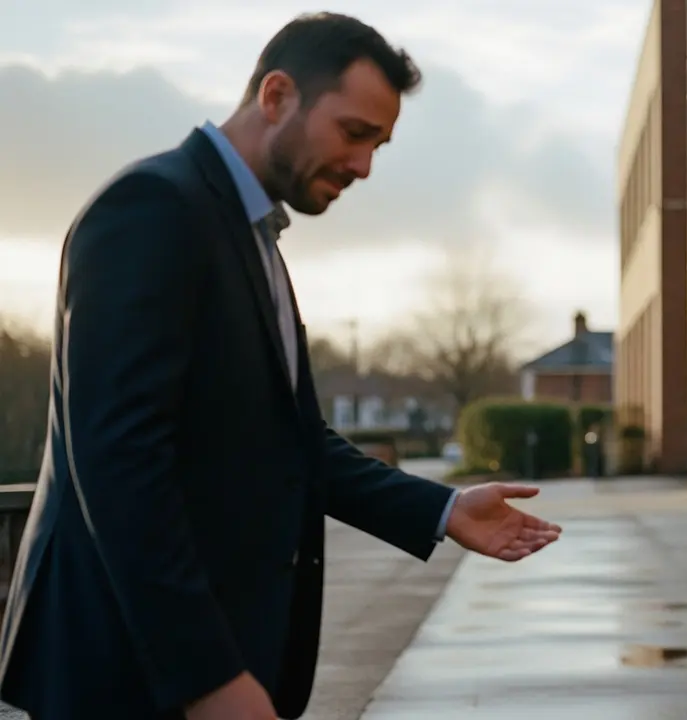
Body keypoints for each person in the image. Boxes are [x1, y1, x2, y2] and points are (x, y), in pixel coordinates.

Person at [0, 13, 562, 720]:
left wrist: (442, 509)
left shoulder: (249, 232)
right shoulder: (150, 209)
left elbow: (294, 442)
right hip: (126, 671)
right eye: (355, 134)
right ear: (276, 96)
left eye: (379, 146)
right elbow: (116, 461)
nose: (363, 167)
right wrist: (207, 679)